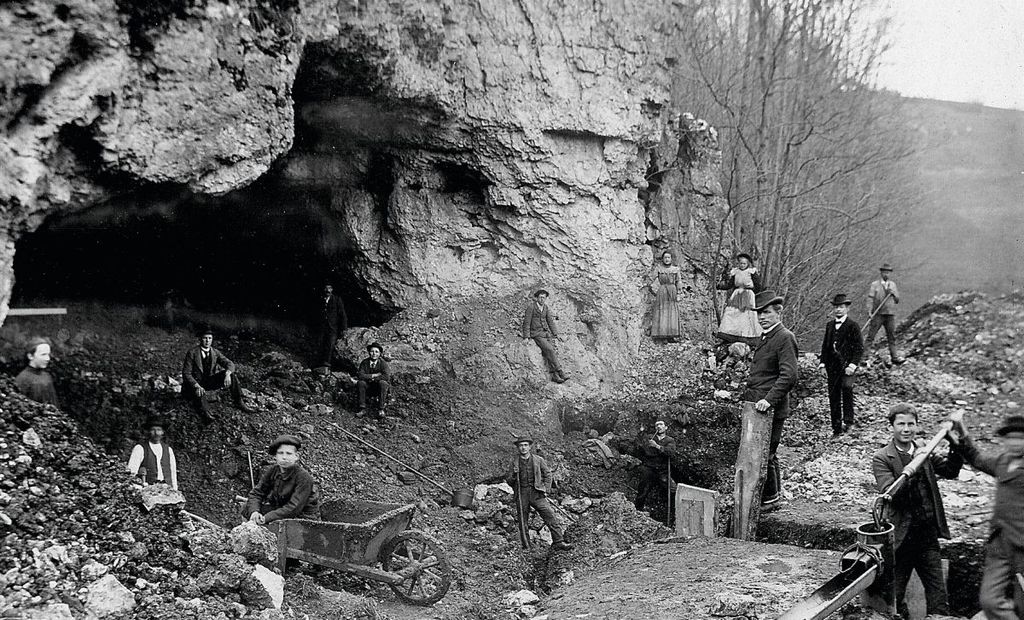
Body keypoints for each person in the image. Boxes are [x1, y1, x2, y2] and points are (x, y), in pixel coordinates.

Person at [871, 403, 961, 618]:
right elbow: (891, 493)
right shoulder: (882, 458)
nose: (906, 429)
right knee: (895, 596)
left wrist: (953, 443)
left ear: (917, 426)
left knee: (938, 595)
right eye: (900, 424)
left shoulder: (924, 451)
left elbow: (950, 471)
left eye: (911, 424)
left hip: (926, 537)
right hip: (901, 541)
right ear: (891, 427)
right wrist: (915, 462)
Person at [949, 414, 1024, 620]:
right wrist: (961, 431)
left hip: (1022, 547)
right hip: (1000, 543)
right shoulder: (1002, 461)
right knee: (989, 601)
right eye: (1011, 438)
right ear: (1004, 440)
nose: (1016, 443)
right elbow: (976, 458)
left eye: (1021, 438)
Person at [742, 290, 799, 506]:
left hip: (769, 407)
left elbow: (789, 375)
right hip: (757, 405)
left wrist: (769, 399)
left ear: (779, 313)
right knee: (763, 452)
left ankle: (771, 499)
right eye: (759, 314)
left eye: (766, 313)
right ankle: (770, 496)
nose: (762, 318)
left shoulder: (785, 337)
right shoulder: (767, 337)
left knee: (767, 453)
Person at [505, 435, 572, 551]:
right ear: (518, 448)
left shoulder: (538, 460)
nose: (523, 448)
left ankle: (558, 541)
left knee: (549, 515)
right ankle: (527, 546)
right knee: (522, 520)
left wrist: (546, 489)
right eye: (521, 446)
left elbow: (548, 474)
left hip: (537, 493)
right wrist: (514, 476)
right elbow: (509, 480)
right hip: (522, 493)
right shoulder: (514, 462)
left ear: (530, 447)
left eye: (525, 445)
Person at [818, 294, 865, 438]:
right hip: (832, 367)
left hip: (847, 367)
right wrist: (822, 363)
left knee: (847, 390)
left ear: (847, 308)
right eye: (836, 307)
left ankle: (849, 422)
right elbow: (825, 346)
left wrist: (852, 365)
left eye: (841, 307)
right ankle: (836, 429)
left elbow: (859, 348)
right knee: (833, 396)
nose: (838, 310)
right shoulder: (830, 325)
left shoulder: (853, 326)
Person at [246, 434, 320, 524]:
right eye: (280, 453)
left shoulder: (304, 477)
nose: (284, 457)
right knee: (246, 508)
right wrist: (254, 512)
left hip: (303, 518)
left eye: (289, 453)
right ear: (276, 456)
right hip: (280, 511)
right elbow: (256, 493)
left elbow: (293, 508)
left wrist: (266, 518)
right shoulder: (273, 470)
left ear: (296, 456)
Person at [181, 328, 249, 421]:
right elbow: (186, 373)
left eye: (209, 338)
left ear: (212, 339)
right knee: (199, 393)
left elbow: (230, 363)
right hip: (193, 385)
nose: (207, 341)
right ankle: (206, 413)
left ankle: (239, 402)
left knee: (232, 376)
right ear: (200, 339)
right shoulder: (192, 353)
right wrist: (196, 385)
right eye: (205, 338)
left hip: (208, 382)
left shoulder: (215, 352)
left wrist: (228, 374)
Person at [521, 289, 568, 383]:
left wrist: (556, 334)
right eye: (540, 297)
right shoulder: (531, 307)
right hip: (536, 334)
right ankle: (560, 371)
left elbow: (550, 321)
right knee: (549, 349)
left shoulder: (545, 307)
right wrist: (526, 336)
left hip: (546, 333)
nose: (542, 299)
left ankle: (555, 376)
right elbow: (526, 322)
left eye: (544, 298)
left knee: (550, 352)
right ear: (537, 298)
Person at [717, 253, 763, 344]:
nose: (742, 265)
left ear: (748, 264)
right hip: (737, 294)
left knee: (746, 315)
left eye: (744, 264)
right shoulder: (735, 272)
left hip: (748, 294)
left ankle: (747, 337)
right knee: (732, 313)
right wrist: (720, 286)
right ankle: (730, 334)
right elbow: (730, 284)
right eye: (740, 263)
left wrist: (753, 292)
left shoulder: (751, 272)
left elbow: (758, 285)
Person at [127, 416, 179, 490]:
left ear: (163, 432)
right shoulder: (140, 448)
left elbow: (173, 473)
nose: (156, 433)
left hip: (167, 489)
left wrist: (175, 489)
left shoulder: (168, 450)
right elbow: (131, 472)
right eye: (153, 430)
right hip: (148, 490)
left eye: (159, 430)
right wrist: (137, 488)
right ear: (148, 431)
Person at [634, 419, 677, 511]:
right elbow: (646, 451)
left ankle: (675, 511)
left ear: (666, 427)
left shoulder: (670, 440)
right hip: (649, 468)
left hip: (662, 470)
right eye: (656, 425)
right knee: (643, 489)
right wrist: (661, 450)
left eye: (661, 424)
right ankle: (638, 510)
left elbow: (670, 452)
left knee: (672, 489)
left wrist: (657, 446)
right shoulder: (650, 437)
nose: (658, 426)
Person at [866, 263, 903, 364]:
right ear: (881, 273)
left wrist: (894, 293)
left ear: (890, 274)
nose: (886, 274)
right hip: (878, 314)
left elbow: (897, 300)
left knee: (891, 337)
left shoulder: (893, 285)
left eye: (888, 272)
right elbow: (870, 298)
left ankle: (895, 357)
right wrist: (869, 311)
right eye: (884, 272)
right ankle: (863, 358)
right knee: (871, 336)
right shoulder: (875, 285)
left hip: (890, 314)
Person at [14, 337, 59, 407]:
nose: (48, 358)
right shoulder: (22, 379)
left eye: (48, 354)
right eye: (43, 354)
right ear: (30, 356)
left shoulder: (46, 376)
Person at [312, 282, 348, 369]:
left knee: (331, 344)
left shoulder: (337, 300)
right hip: (322, 327)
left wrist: (344, 328)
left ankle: (326, 364)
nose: (327, 290)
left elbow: (342, 314)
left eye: (329, 288)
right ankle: (317, 364)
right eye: (326, 288)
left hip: (333, 327)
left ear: (332, 290)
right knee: (319, 343)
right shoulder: (320, 299)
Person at [650, 250, 681, 341]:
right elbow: (651, 278)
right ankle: (661, 334)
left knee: (671, 311)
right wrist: (654, 289)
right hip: (662, 291)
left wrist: (679, 292)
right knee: (662, 311)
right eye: (665, 258)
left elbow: (678, 281)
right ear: (662, 259)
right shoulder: (659, 268)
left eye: (668, 257)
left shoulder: (675, 269)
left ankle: (671, 335)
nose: (667, 259)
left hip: (672, 290)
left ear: (671, 259)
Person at [356, 342, 391, 417]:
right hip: (368, 387)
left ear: (380, 353)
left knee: (383, 383)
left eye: (376, 352)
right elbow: (360, 375)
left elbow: (386, 376)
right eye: (372, 351)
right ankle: (362, 409)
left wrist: (374, 379)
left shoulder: (383, 363)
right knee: (361, 383)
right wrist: (373, 375)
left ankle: (381, 409)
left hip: (378, 388)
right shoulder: (364, 363)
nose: (374, 354)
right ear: (369, 352)